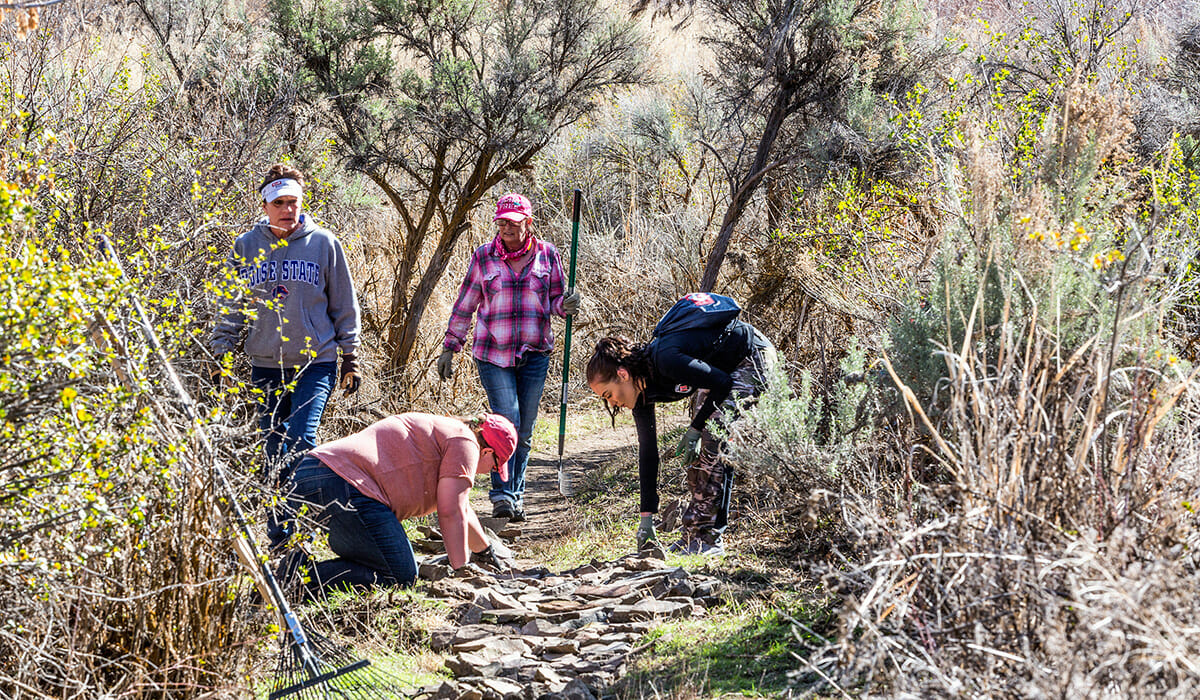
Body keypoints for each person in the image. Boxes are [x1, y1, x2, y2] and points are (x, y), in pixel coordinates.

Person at [209, 163, 362, 544]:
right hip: (265, 365)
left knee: (300, 441)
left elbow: (345, 303)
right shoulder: (246, 247)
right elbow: (231, 306)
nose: (287, 209)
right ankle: (282, 537)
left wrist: (351, 356)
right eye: (279, 202)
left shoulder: (324, 243)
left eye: (293, 201)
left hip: (316, 362)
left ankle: (303, 527)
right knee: (274, 449)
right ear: (265, 205)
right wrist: (221, 353)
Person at [585, 293, 777, 555]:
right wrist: (646, 518)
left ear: (622, 374)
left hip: (751, 356)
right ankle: (693, 535)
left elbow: (722, 384)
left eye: (609, 395)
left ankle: (710, 539)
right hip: (721, 374)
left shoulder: (666, 359)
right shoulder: (641, 394)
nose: (614, 404)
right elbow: (648, 455)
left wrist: (695, 428)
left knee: (713, 440)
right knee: (696, 454)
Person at [437, 193, 581, 522]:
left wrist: (567, 305)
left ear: (528, 224)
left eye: (513, 223)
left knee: (525, 430)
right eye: (501, 223)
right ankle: (502, 495)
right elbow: (466, 304)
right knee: (507, 423)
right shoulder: (484, 257)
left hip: (535, 353)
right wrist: (451, 345)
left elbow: (556, 301)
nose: (506, 229)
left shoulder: (547, 254)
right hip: (493, 354)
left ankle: (516, 494)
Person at [275, 413, 519, 595]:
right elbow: (450, 511)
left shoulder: (450, 430)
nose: (491, 472)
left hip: (311, 472)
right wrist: (461, 570)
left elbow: (462, 508)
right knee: (399, 576)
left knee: (380, 561)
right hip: (346, 484)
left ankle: (289, 576)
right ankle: (292, 585)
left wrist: (484, 551)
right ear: (487, 451)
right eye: (496, 466)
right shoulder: (466, 443)